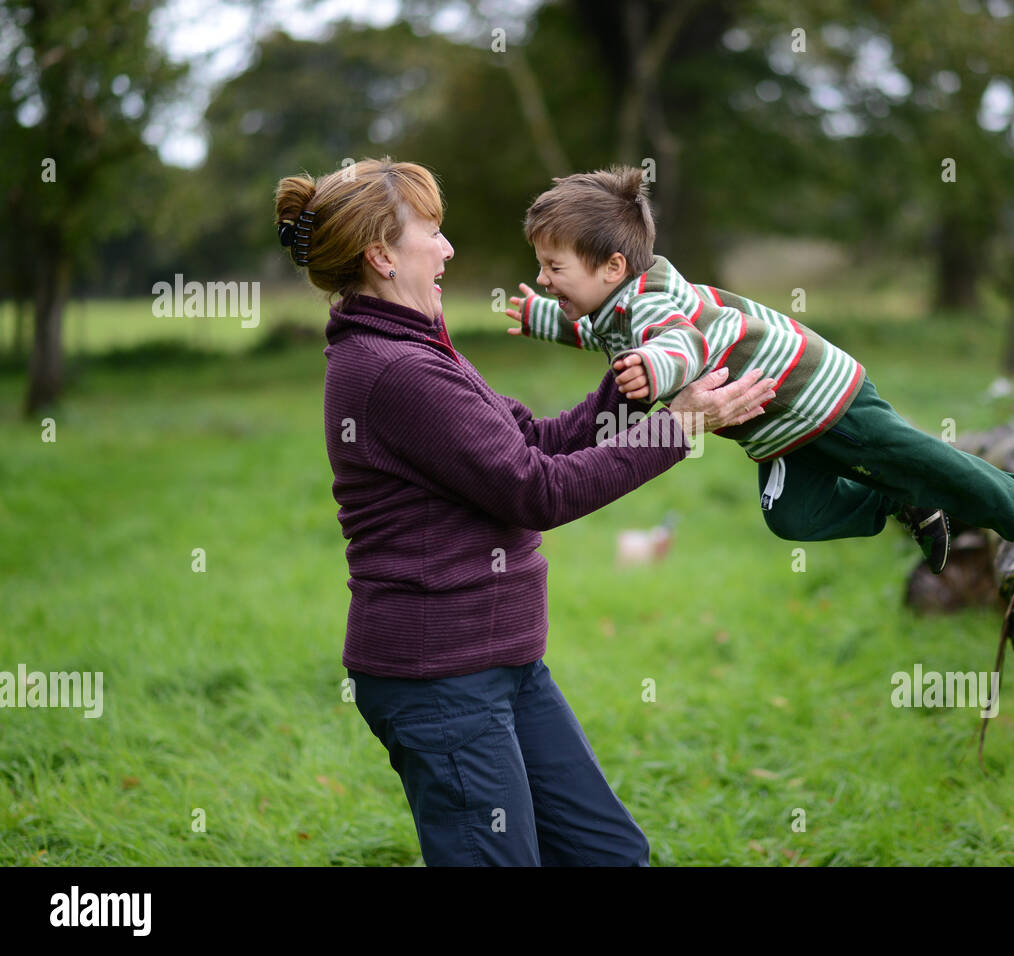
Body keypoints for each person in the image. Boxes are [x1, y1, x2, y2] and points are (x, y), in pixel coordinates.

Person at [274, 157, 777, 866]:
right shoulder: (394, 369)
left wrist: (637, 377)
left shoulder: (415, 345)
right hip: (439, 677)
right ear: (383, 255)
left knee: (610, 856)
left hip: (504, 662)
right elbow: (535, 488)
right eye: (433, 234)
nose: (448, 250)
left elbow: (531, 440)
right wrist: (680, 427)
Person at [506, 166, 1014, 592]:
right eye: (542, 266)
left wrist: (657, 369)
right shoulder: (614, 309)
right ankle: (900, 499)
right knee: (791, 514)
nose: (546, 276)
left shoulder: (654, 302)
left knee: (931, 462)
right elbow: (595, 333)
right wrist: (539, 316)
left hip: (823, 396)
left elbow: (683, 343)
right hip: (783, 431)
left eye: (554, 268)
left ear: (613, 267)